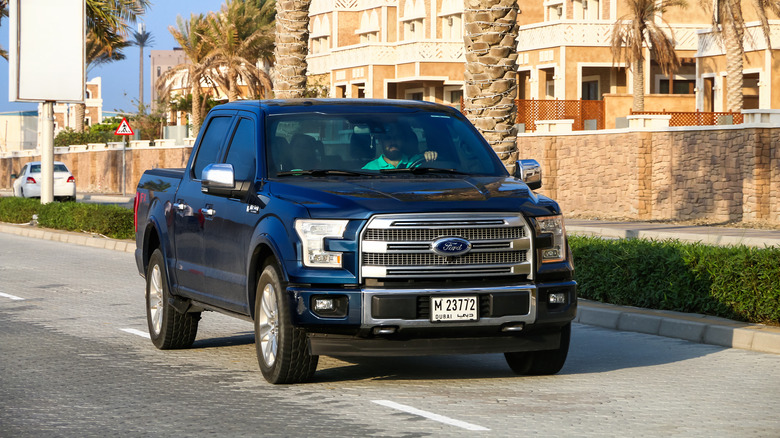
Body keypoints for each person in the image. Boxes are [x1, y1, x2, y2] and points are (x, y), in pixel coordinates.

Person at [362, 127, 437, 170]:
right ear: (381, 142)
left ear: (403, 140)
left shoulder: (418, 161)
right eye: (388, 138)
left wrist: (431, 156)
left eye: (397, 138)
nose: (393, 142)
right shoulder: (369, 169)